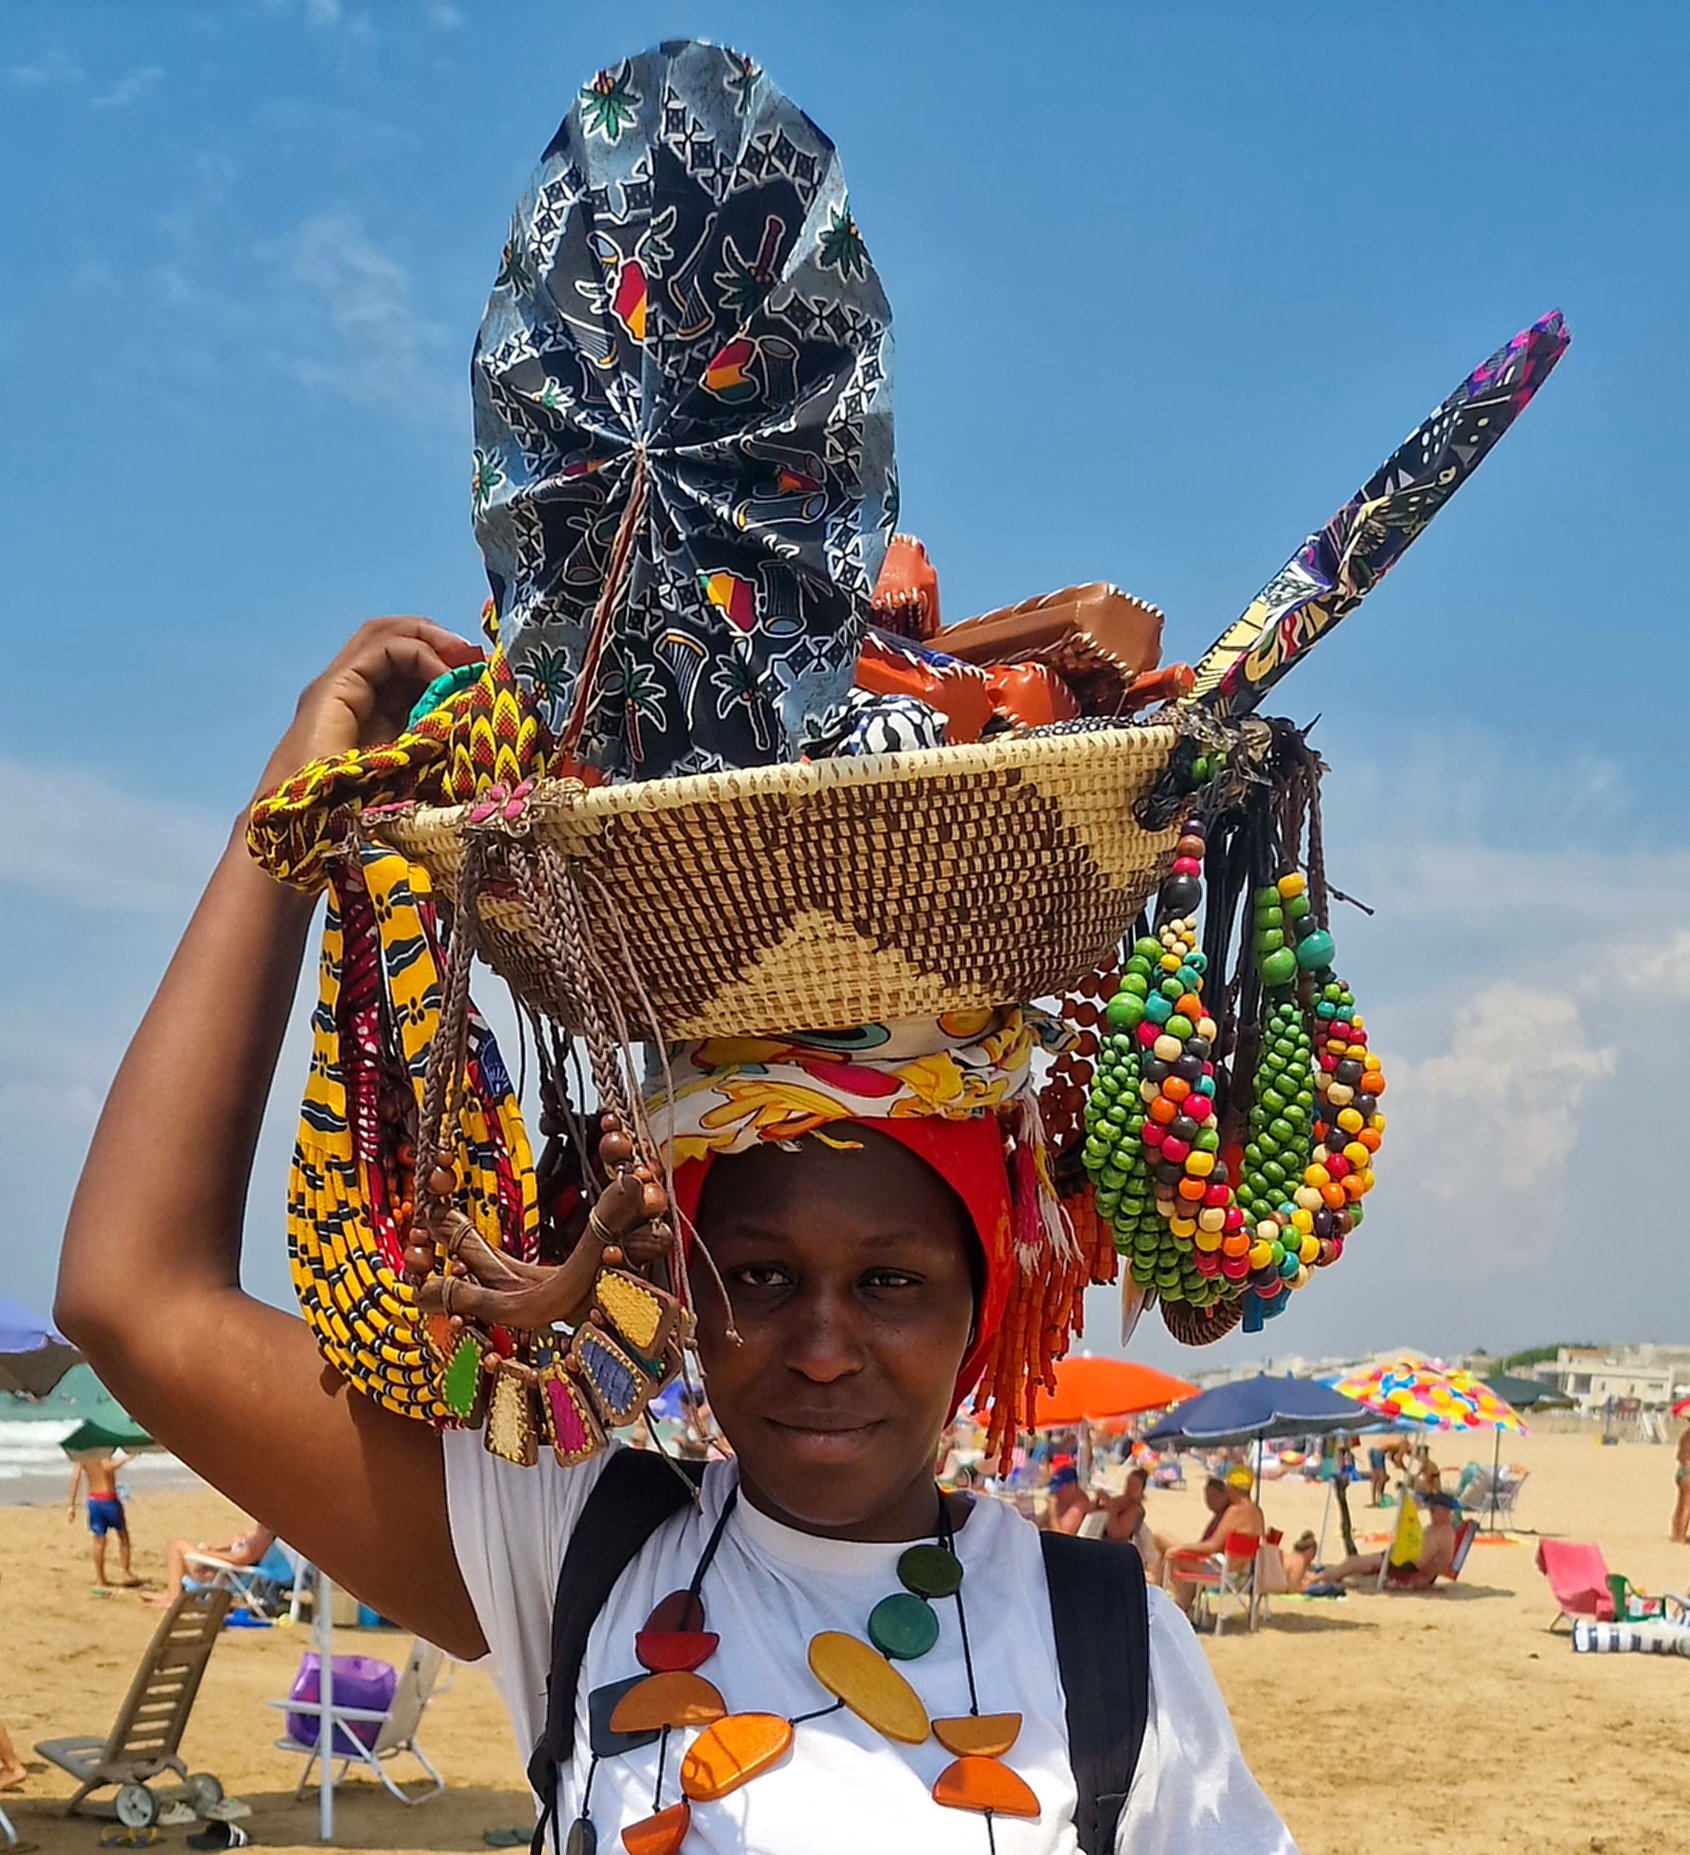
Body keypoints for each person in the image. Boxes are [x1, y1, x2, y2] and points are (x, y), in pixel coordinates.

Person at [56, 619, 1297, 1853]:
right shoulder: (578, 1553)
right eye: (756, 1273)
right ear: (677, 1286)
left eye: (889, 1280)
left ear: (989, 1292)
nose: (823, 1347)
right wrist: (293, 799)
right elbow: (132, 1296)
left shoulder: (1110, 1649)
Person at [1312, 1491, 1460, 1590]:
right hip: (1400, 1558)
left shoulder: (1445, 1532)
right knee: (1353, 1563)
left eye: (1433, 1509)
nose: (1430, 1511)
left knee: (1353, 1563)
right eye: (1431, 1508)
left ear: (1445, 1511)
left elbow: (1445, 1561)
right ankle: (1319, 1577)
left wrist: (1426, 1579)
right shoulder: (1436, 1527)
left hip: (1405, 1565)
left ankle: (1316, 1578)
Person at [1163, 1476, 1265, 1617]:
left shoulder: (1235, 1511)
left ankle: (1176, 1607)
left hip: (1223, 1571)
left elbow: (1213, 1545)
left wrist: (1182, 1547)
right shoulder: (1257, 1511)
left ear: (1232, 1488)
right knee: (1180, 1559)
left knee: (1172, 1556)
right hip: (1245, 1573)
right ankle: (1181, 1607)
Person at [143, 1520, 276, 1609]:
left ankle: (173, 1597)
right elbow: (244, 1537)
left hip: (229, 1576)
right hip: (232, 1571)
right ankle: (170, 1593)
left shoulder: (266, 1533)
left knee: (178, 1546)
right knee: (182, 1548)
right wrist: (216, 1548)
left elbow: (241, 1559)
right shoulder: (269, 1529)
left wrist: (209, 1554)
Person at [67, 1449, 140, 1590]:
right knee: (123, 1536)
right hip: (108, 1499)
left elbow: (75, 1477)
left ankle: (100, 1578)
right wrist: (126, 1458)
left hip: (93, 1500)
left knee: (98, 1540)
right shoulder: (102, 1450)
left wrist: (71, 1504)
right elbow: (107, 1466)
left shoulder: (82, 1454)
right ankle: (126, 1572)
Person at [1673, 1421, 1690, 1544]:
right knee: (1687, 1506)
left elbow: (1679, 1456)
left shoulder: (1685, 1435)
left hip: (1681, 1470)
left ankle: (1676, 1533)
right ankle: (1681, 1536)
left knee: (1680, 1505)